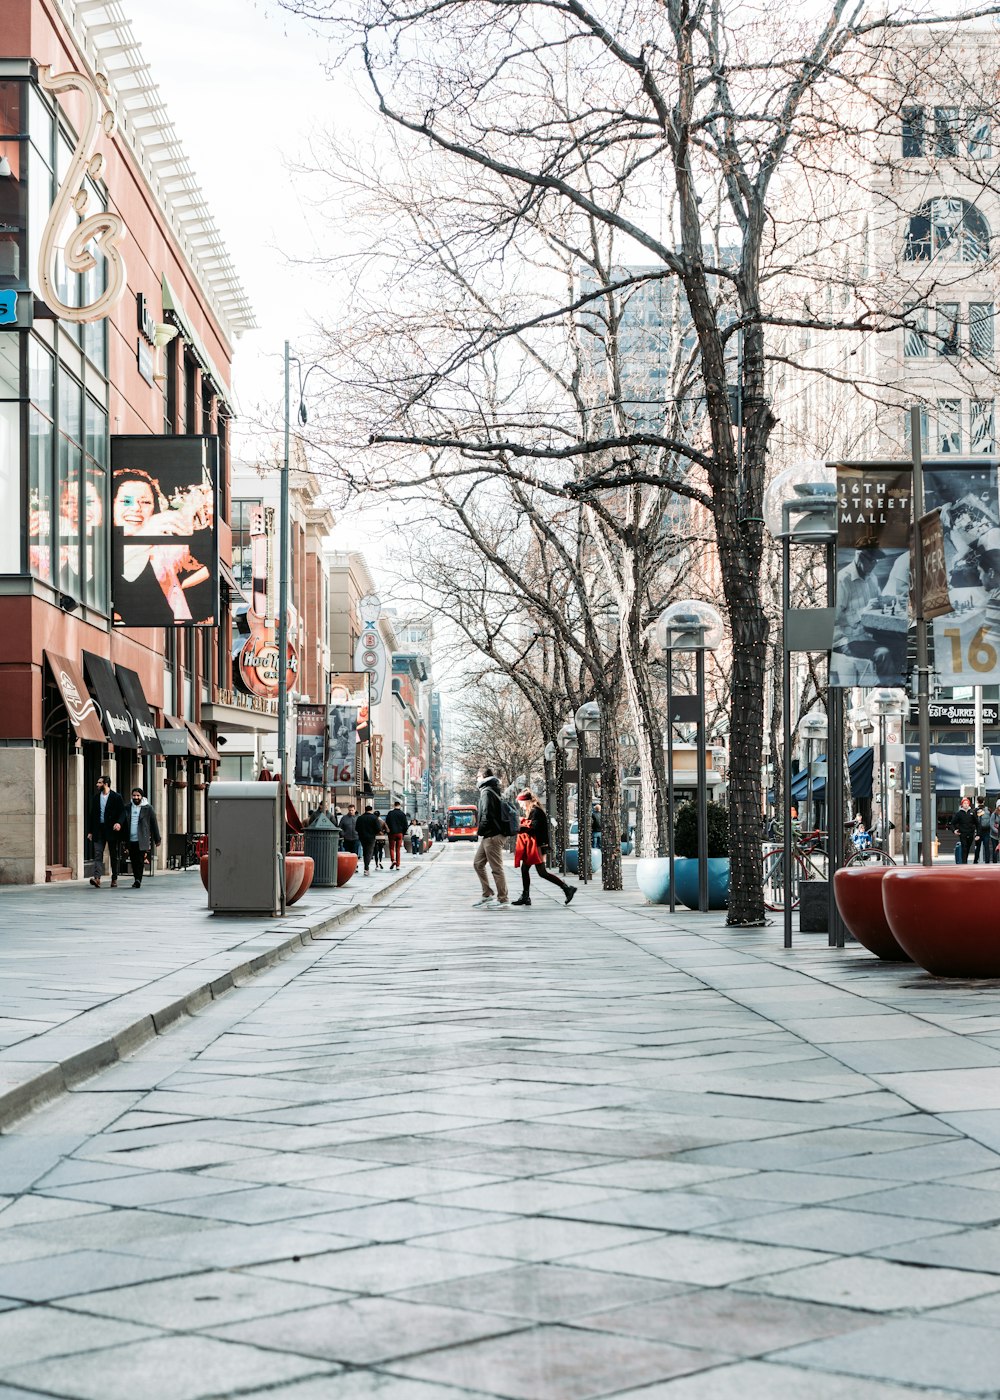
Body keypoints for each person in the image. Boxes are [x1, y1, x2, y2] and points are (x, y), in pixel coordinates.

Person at [112, 468, 213, 625]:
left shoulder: (163, 548)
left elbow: (207, 569)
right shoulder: (97, 545)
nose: (136, 508)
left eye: (145, 502)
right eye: (126, 501)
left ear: (155, 508)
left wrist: (206, 526)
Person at [511, 790, 575, 907]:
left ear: (526, 801)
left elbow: (533, 827)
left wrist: (519, 826)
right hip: (537, 845)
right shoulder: (533, 811)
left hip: (538, 846)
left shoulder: (536, 811)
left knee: (542, 872)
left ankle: (567, 888)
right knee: (526, 869)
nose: (520, 805)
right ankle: (526, 896)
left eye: (520, 802)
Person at [473, 767, 509, 909]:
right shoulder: (491, 789)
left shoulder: (487, 792)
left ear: (482, 776)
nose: (476, 779)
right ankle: (487, 894)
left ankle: (503, 898)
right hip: (490, 835)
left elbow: (486, 815)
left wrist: (480, 831)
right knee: (478, 863)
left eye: (477, 776)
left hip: (493, 835)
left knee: (496, 868)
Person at [86, 775, 126, 889]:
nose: (97, 785)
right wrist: (90, 831)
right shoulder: (96, 797)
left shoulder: (116, 797)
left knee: (113, 855)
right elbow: (92, 815)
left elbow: (122, 812)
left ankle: (114, 878)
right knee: (98, 854)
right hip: (98, 830)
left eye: (99, 783)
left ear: (106, 784)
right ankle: (97, 878)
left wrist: (119, 823)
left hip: (112, 830)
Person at [125, 787, 161, 888]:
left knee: (140, 860)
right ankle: (136, 877)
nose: (136, 797)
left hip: (142, 839)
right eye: (134, 795)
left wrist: (157, 839)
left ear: (142, 796)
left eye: (138, 795)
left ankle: (138, 880)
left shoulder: (148, 808)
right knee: (133, 860)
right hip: (130, 839)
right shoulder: (127, 807)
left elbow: (154, 824)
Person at [355, 805, 381, 876]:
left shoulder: (360, 818)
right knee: (369, 852)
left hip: (362, 837)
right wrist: (374, 833)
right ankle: (366, 868)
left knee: (365, 851)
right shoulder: (374, 818)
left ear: (365, 810)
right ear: (371, 810)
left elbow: (356, 828)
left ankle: (366, 866)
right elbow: (378, 829)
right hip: (371, 837)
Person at [385, 801, 409, 869]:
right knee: (398, 849)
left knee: (392, 848)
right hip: (400, 833)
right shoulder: (402, 814)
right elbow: (405, 825)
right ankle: (398, 865)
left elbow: (387, 823)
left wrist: (388, 831)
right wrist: (403, 833)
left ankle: (393, 860)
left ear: (393, 805)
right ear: (400, 806)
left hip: (392, 833)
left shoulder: (390, 813)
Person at [954, 795, 977, 864]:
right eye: (964, 803)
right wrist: (954, 830)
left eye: (967, 803)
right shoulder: (959, 813)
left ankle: (965, 859)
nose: (966, 805)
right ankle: (964, 862)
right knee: (964, 847)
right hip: (962, 833)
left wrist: (978, 833)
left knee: (968, 847)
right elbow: (953, 823)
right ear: (962, 804)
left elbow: (977, 823)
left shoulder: (972, 812)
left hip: (970, 833)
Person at [990, 800, 1000, 865]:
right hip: (994, 835)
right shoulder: (994, 814)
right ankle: (994, 862)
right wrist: (997, 831)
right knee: (995, 849)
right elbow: (991, 824)